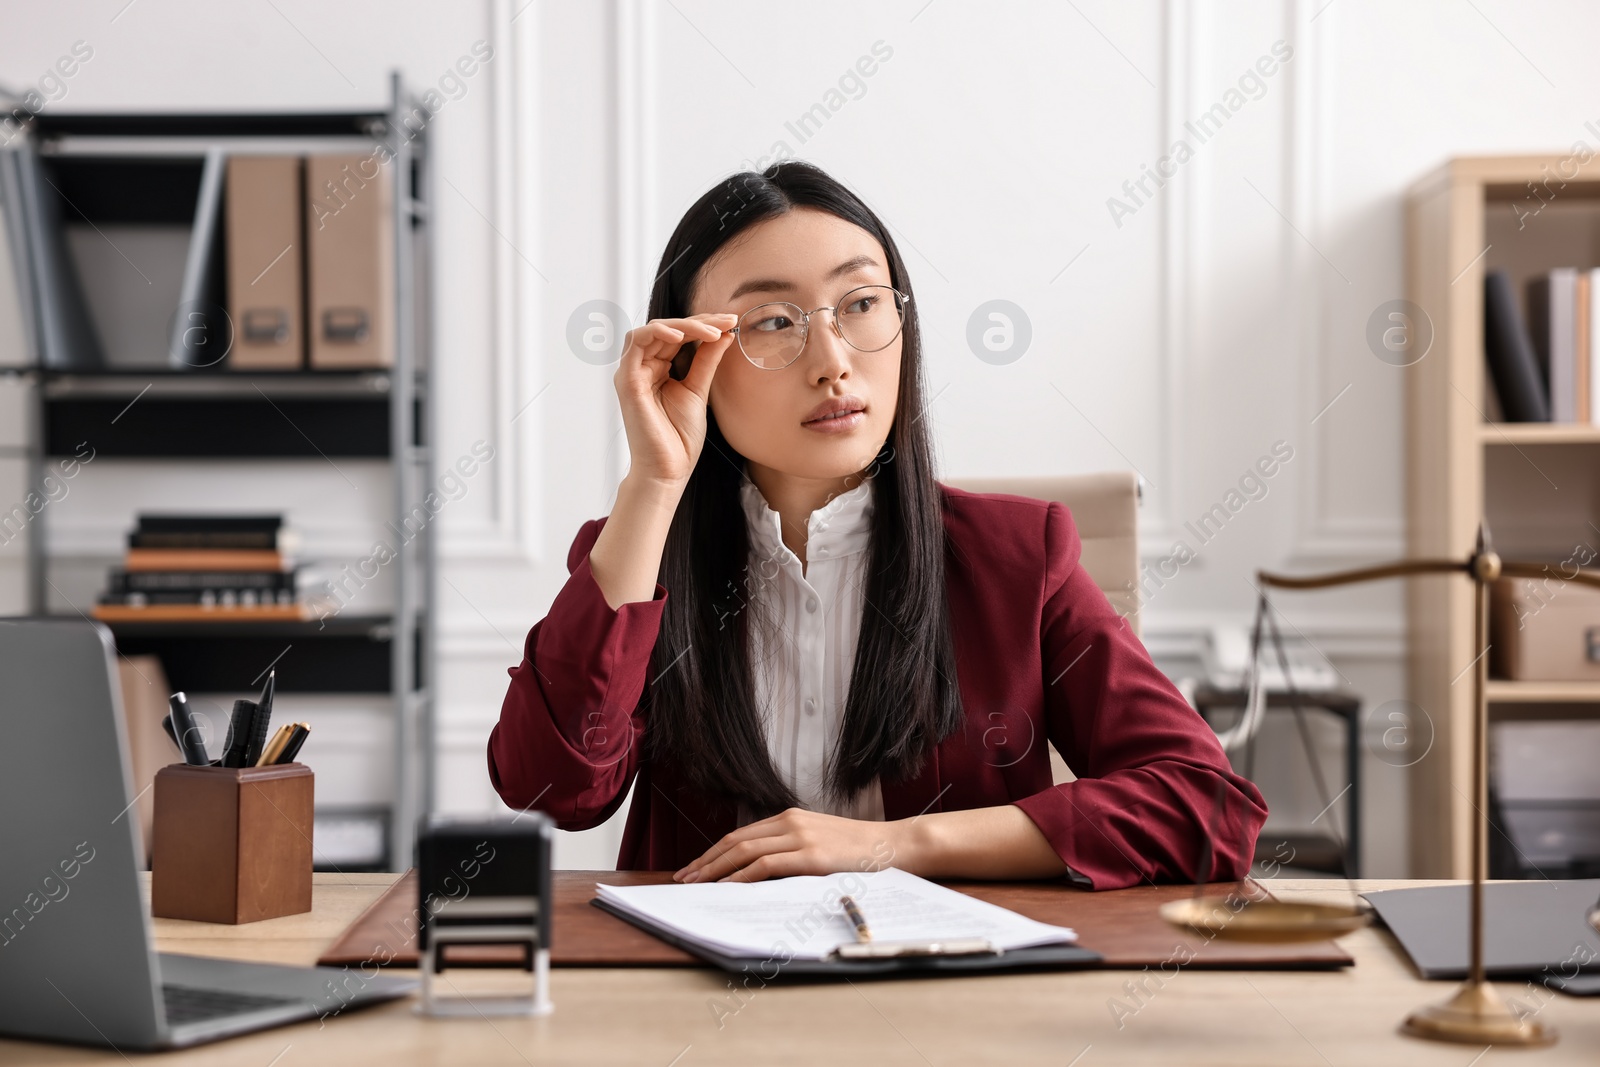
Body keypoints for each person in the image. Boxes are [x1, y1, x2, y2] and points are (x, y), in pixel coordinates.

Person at [488, 160, 1267, 889]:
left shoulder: (1021, 559)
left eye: (861, 304)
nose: (832, 360)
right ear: (689, 360)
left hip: (950, 994)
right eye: (770, 322)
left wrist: (887, 847)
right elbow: (553, 788)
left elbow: (1209, 808)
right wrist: (655, 483)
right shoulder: (637, 554)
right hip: (706, 1007)